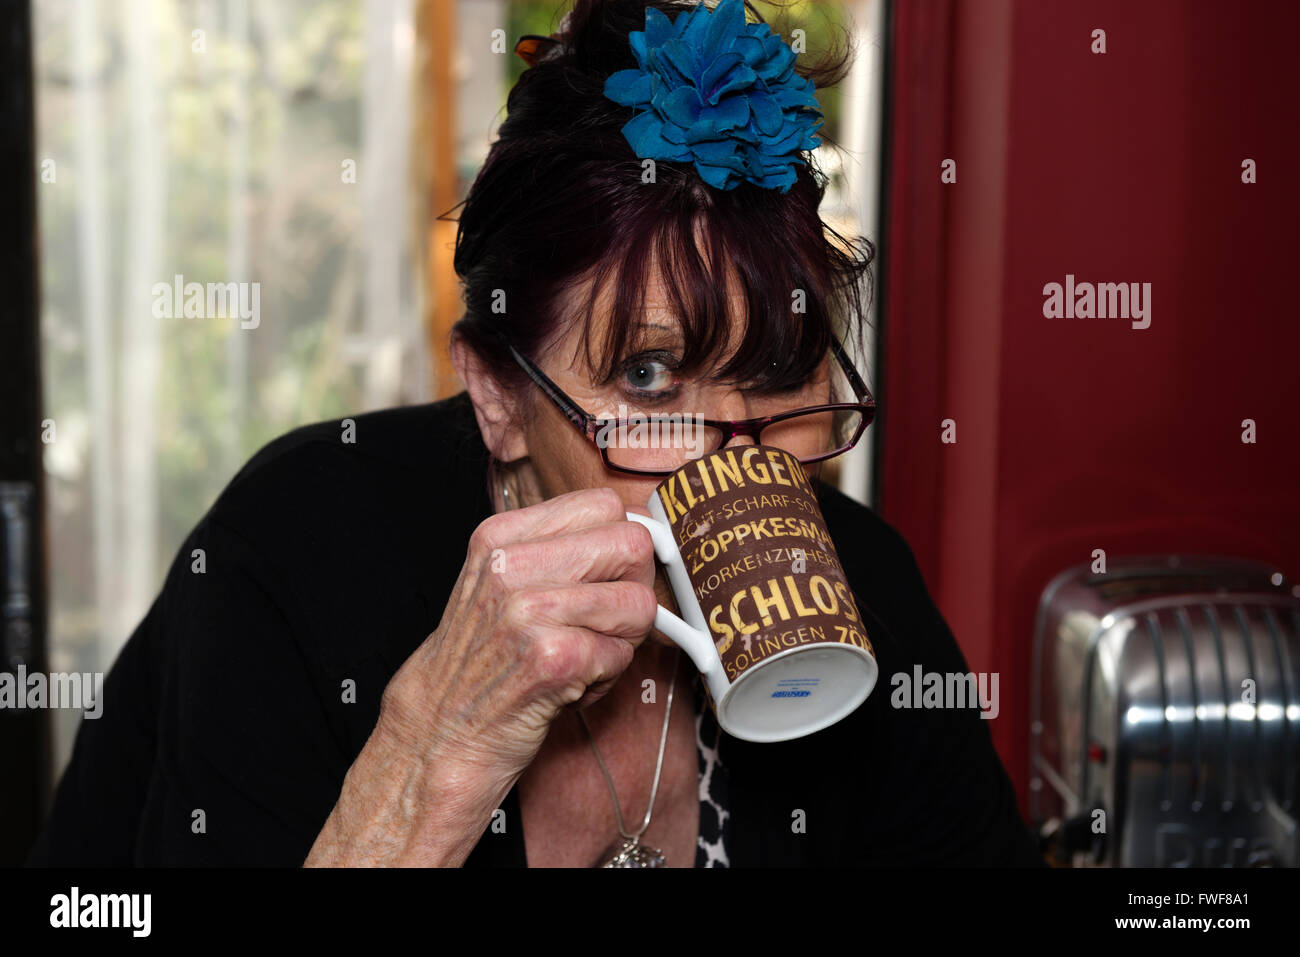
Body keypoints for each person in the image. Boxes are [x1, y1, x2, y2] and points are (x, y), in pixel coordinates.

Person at [26, 0, 1043, 867]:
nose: (735, 456)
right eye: (649, 378)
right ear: (498, 397)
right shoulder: (290, 558)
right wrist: (436, 750)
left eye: (777, 371)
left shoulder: (862, 587)